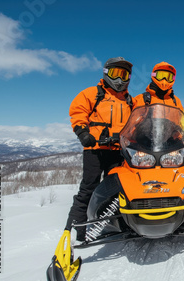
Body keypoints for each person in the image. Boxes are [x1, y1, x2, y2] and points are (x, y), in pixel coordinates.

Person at [66, 57, 134, 241]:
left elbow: (137, 123)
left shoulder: (129, 101)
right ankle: (74, 231)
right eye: (115, 73)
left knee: (117, 189)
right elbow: (78, 112)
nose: (120, 79)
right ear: (106, 73)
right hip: (95, 149)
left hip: (118, 152)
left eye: (124, 74)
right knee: (89, 188)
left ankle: (115, 225)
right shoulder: (93, 93)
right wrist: (83, 132)